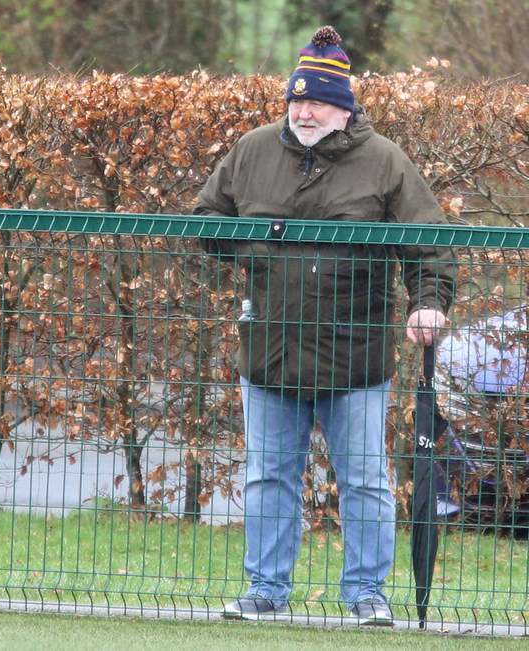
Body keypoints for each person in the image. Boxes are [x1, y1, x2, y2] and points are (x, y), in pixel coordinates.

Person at [194, 26, 455, 625]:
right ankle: (265, 591)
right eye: (296, 99)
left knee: (364, 481)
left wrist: (428, 301)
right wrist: (249, 250)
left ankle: (368, 596)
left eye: (318, 102)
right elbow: (210, 216)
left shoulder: (385, 160)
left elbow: (430, 242)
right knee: (267, 478)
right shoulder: (253, 148)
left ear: (345, 109)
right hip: (268, 350)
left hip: (354, 354)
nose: (304, 111)